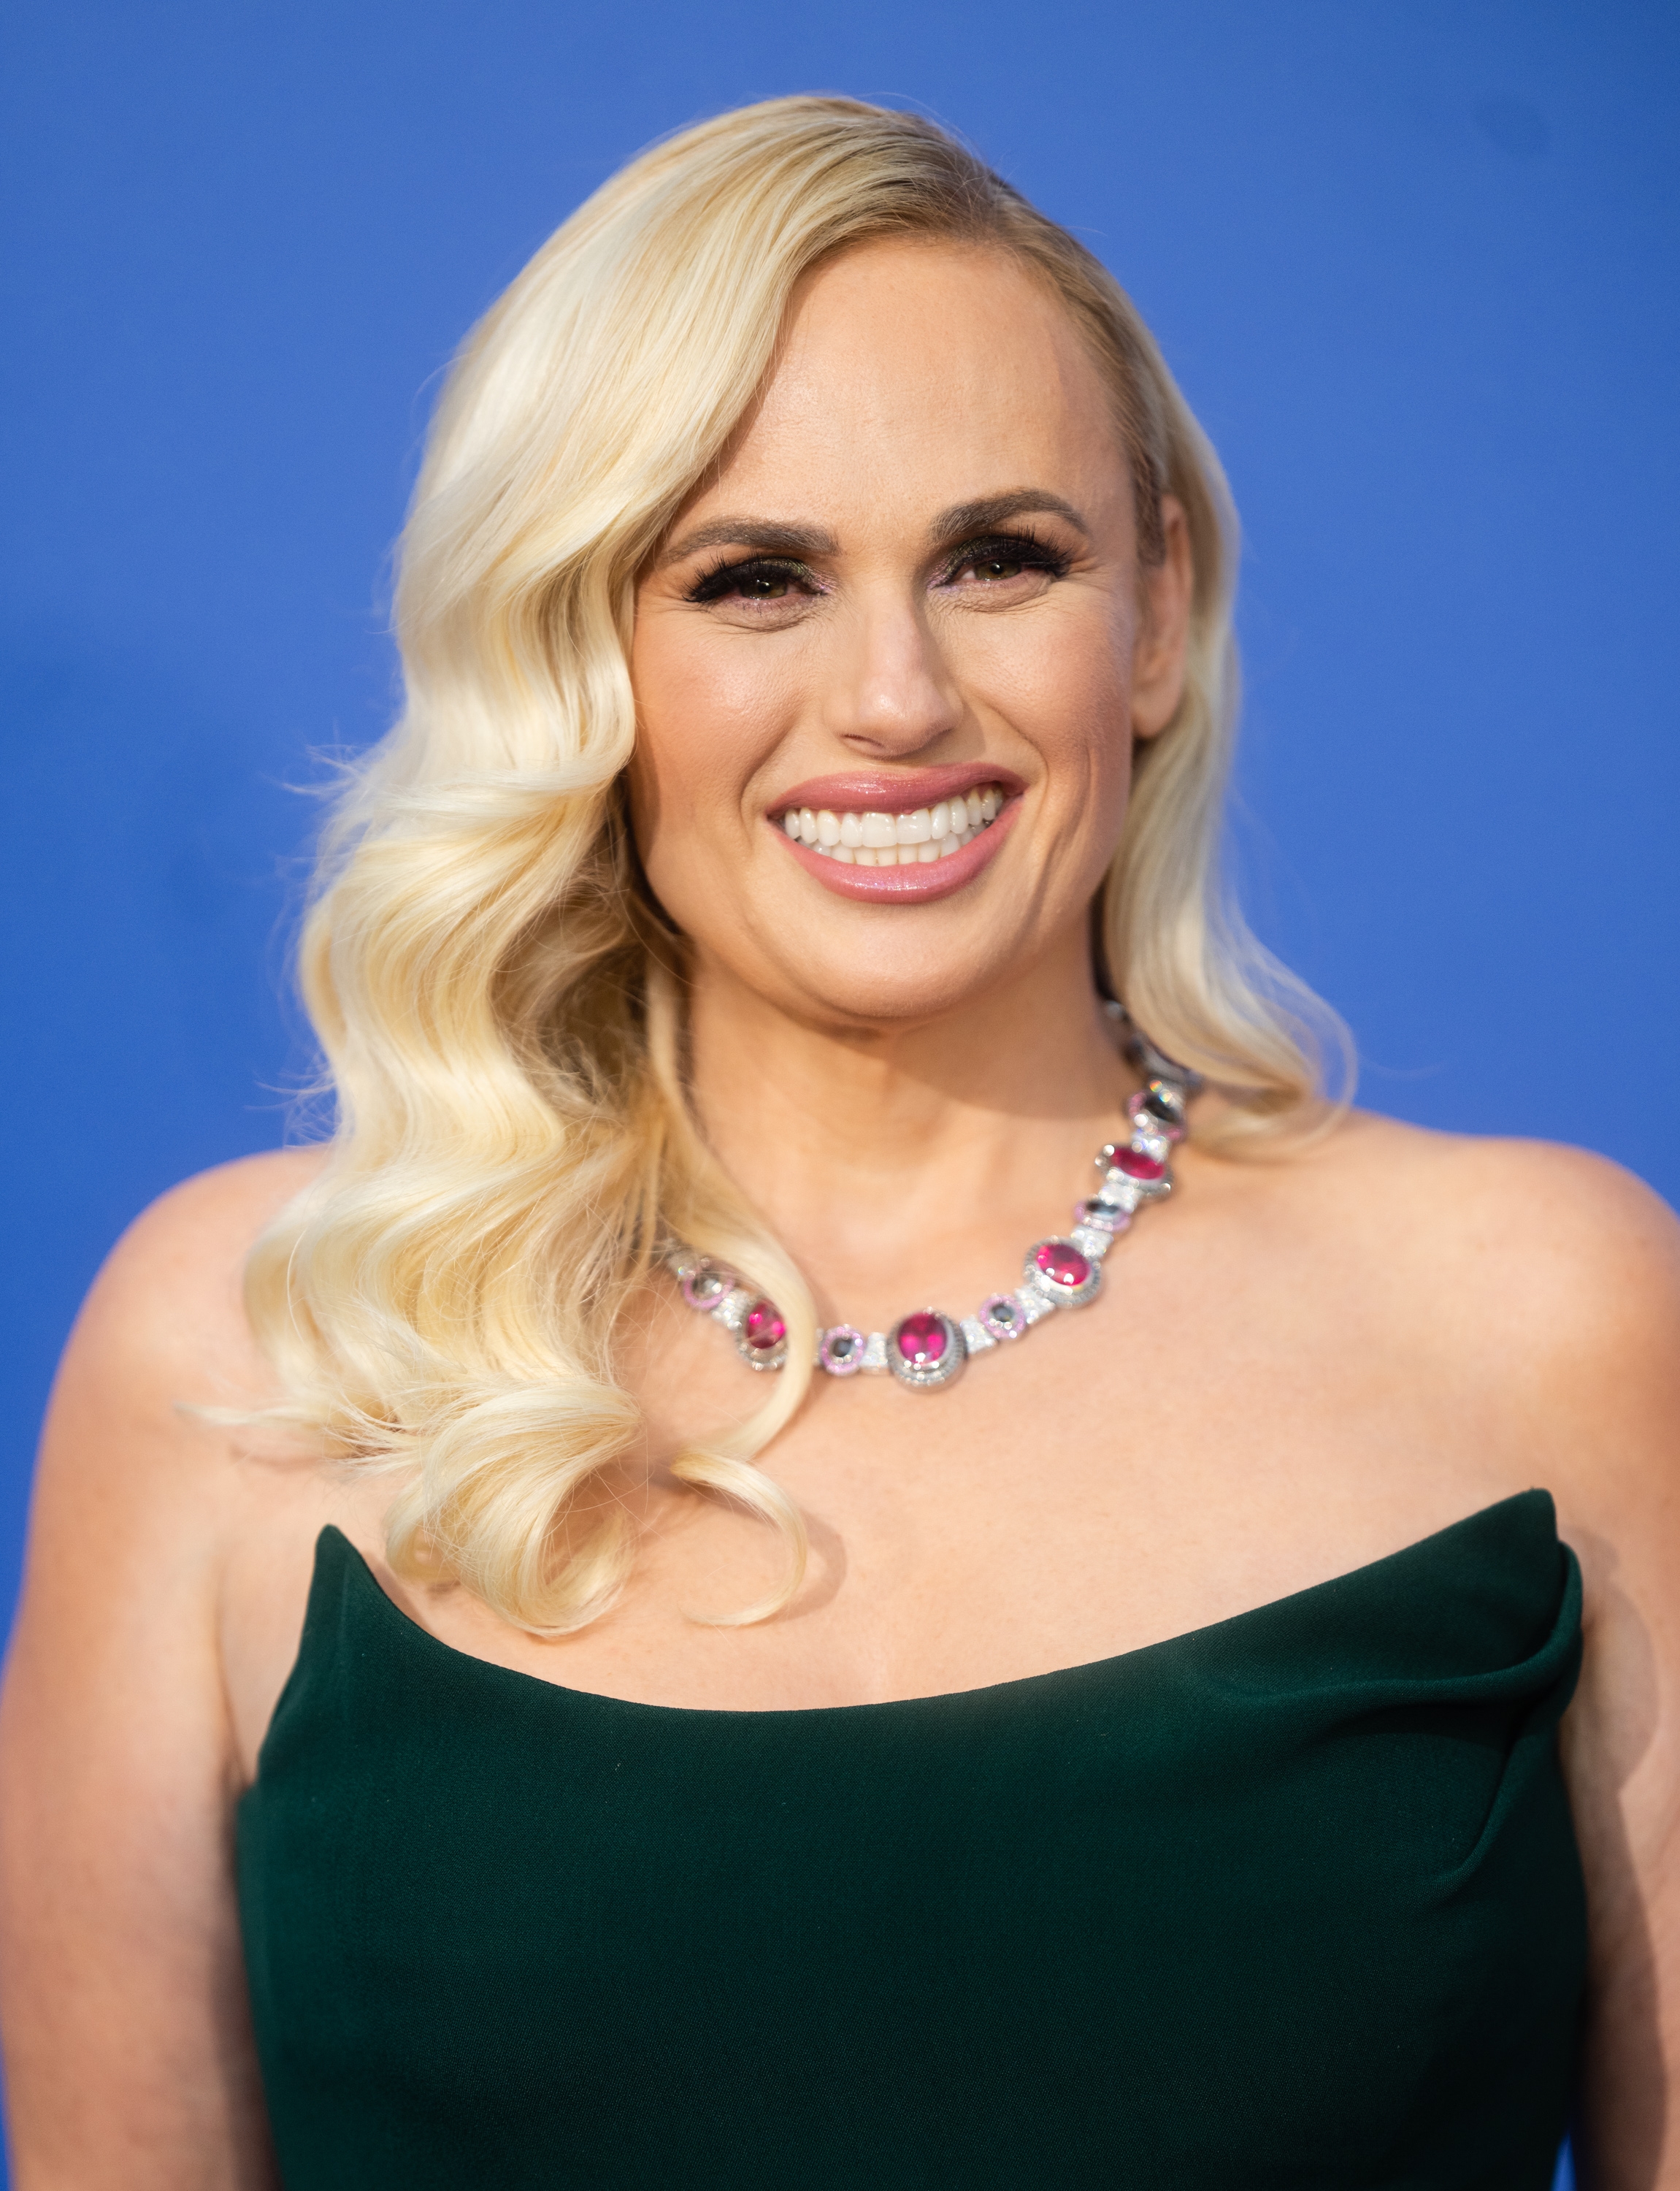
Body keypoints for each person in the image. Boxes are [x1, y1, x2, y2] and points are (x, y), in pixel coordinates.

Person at [1, 93, 1674, 2190]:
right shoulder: (250, 1357)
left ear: (1155, 613)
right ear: (580, 651)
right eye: (752, 578)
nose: (895, 696)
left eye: (1001, 558)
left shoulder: (1545, 1317)